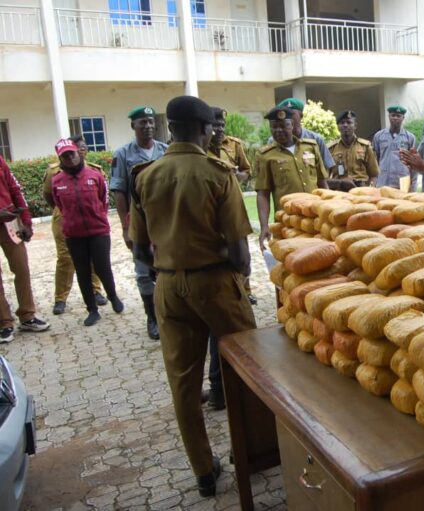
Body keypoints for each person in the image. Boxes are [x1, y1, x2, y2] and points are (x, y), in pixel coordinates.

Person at [129, 95, 256, 497]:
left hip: (167, 287)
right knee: (251, 370)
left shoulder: (145, 176)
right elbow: (239, 255)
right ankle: (251, 453)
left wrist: (172, 263)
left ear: (170, 128)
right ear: (204, 130)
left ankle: (204, 472)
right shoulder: (217, 173)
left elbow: (138, 250)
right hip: (215, 284)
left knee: (184, 384)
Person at [50, 139, 123, 326]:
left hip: (98, 231)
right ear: (60, 159)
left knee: (102, 266)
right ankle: (92, 309)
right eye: (65, 156)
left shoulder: (95, 175)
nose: (70, 158)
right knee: (82, 271)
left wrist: (98, 217)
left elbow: (104, 200)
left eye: (72, 154)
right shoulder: (57, 181)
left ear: (78, 153)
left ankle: (113, 297)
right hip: (74, 235)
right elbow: (58, 204)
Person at [110, 106, 168, 340]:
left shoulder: (166, 150)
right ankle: (152, 318)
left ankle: (170, 315)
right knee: (144, 273)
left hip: (166, 222)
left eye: (151, 122)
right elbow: (119, 192)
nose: (148, 126)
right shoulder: (123, 154)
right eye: (142, 122)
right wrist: (125, 228)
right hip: (139, 221)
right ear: (133, 126)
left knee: (167, 269)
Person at [43, 135, 108, 315]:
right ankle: (60, 298)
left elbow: (103, 198)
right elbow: (49, 196)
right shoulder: (53, 172)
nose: (80, 151)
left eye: (83, 148)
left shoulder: (96, 171)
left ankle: (96, 291)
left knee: (94, 256)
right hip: (64, 219)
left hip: (91, 221)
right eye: (77, 148)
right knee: (65, 258)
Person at [254, 106, 328, 251]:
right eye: (274, 127)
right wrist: (264, 226)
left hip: (315, 217)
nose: (279, 130)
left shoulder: (311, 147)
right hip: (287, 222)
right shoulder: (266, 155)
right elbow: (263, 194)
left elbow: (322, 182)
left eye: (283, 126)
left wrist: (328, 213)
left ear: (292, 125)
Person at [208, 107, 257, 306]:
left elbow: (247, 170)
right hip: (212, 207)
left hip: (234, 203)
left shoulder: (233, 145)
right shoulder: (203, 146)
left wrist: (239, 176)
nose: (219, 129)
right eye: (215, 125)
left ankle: (246, 288)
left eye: (222, 125)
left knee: (240, 243)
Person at [0, 156, 50, 343]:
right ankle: (4, 323)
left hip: (10, 223)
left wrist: (27, 222)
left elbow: (15, 189)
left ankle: (27, 316)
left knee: (22, 269)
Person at [275, 97, 336, 173]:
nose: (289, 119)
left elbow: (328, 167)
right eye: (286, 116)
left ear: (301, 116)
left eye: (292, 114)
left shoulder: (315, 139)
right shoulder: (274, 141)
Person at [372, 105, 418, 192]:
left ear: (403, 118)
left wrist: (413, 186)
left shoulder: (410, 137)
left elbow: (414, 164)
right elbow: (375, 160)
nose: (395, 118)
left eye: (398, 116)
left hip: (402, 181)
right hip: (384, 181)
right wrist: (374, 181)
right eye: (393, 115)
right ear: (389, 117)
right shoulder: (379, 136)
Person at [328, 111, 379, 187]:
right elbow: (324, 177)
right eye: (342, 123)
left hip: (361, 190)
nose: (345, 125)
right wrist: (339, 182)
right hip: (339, 191)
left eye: (349, 122)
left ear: (355, 126)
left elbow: (374, 174)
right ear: (338, 127)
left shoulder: (365, 147)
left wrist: (371, 189)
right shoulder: (331, 148)